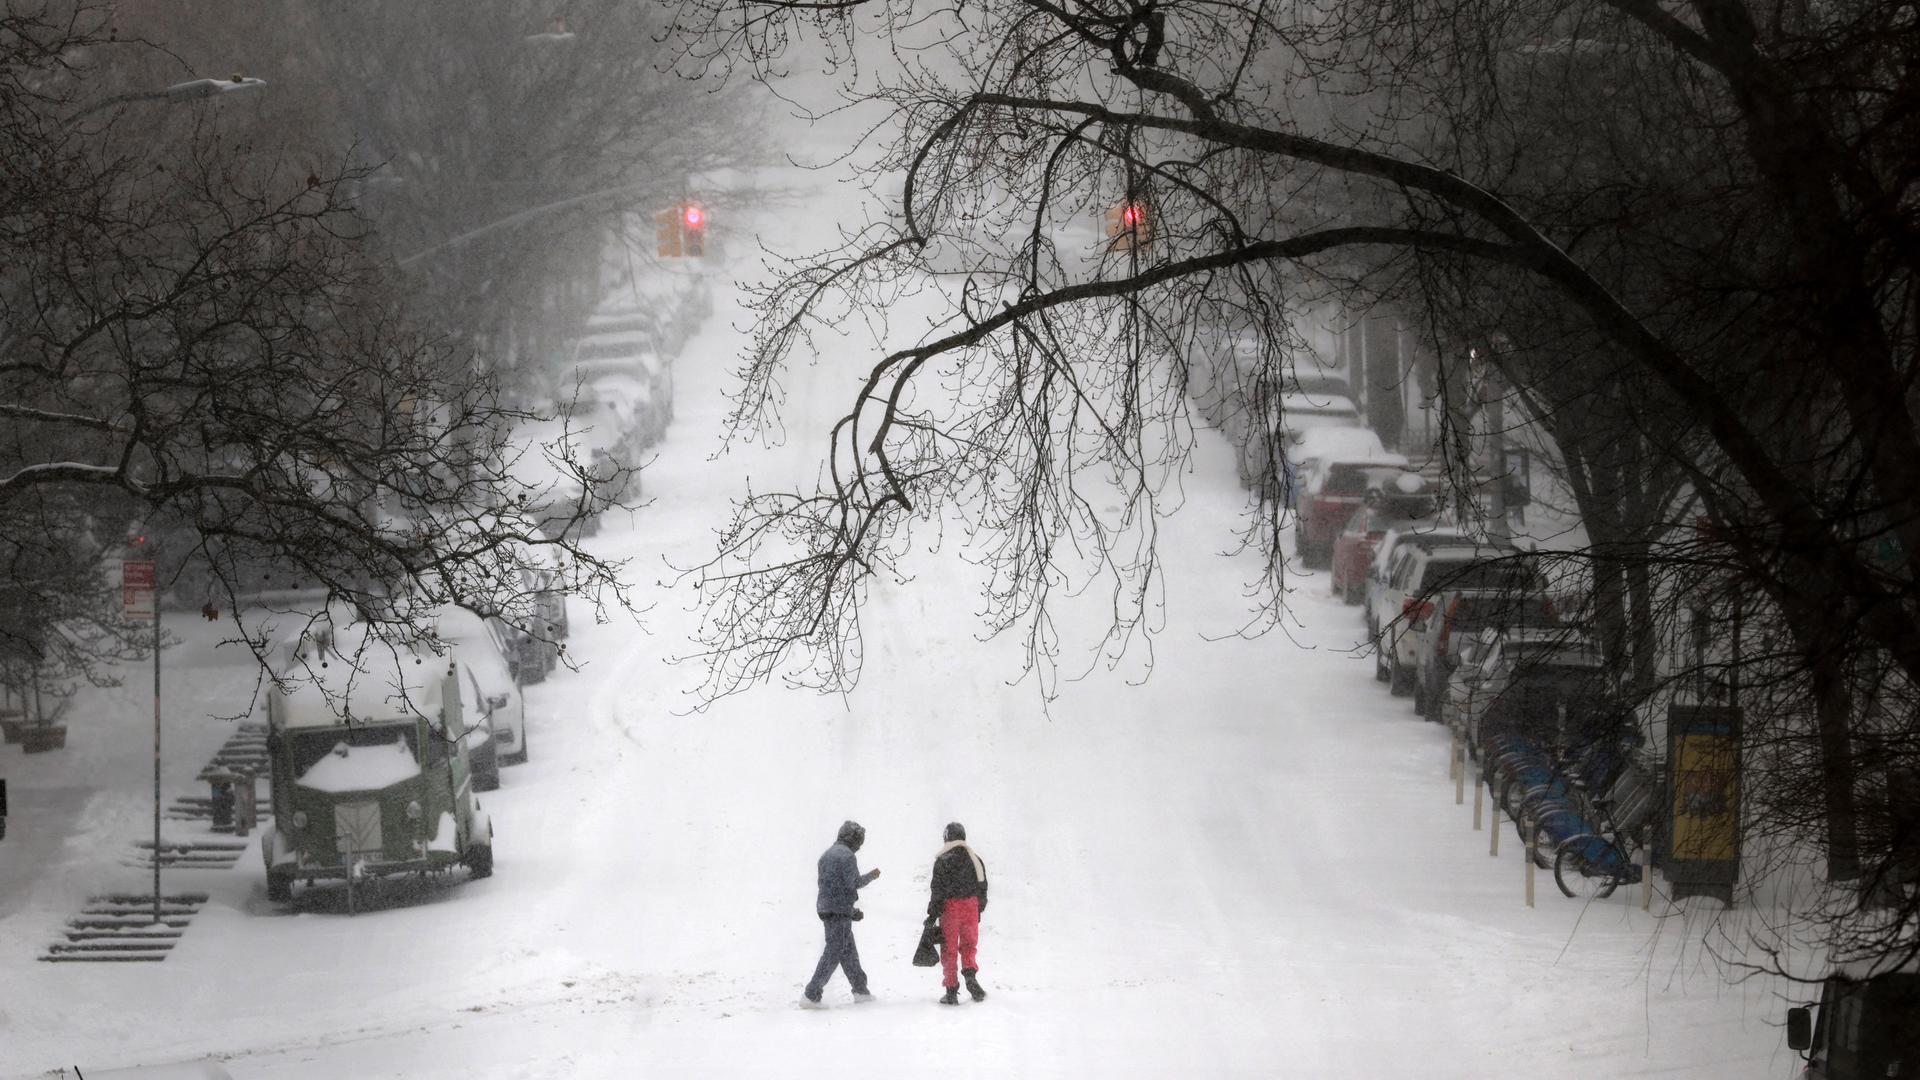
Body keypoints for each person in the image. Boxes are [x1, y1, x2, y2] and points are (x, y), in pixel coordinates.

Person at [803, 820, 881, 1007]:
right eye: (859, 842)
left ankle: (861, 990)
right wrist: (872, 876)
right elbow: (853, 883)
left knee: (848, 952)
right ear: (854, 839)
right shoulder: (847, 856)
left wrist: (850, 911)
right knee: (834, 951)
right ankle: (811, 994)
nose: (859, 847)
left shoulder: (826, 855)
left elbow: (831, 886)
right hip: (838, 911)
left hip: (827, 908)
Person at [927, 821, 988, 1005]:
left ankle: (951, 990)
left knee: (949, 949)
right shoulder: (975, 859)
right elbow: (983, 886)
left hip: (950, 908)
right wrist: (979, 907)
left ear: (947, 837)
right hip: (971, 906)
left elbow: (937, 889)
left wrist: (933, 912)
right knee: (969, 945)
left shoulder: (943, 860)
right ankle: (970, 976)